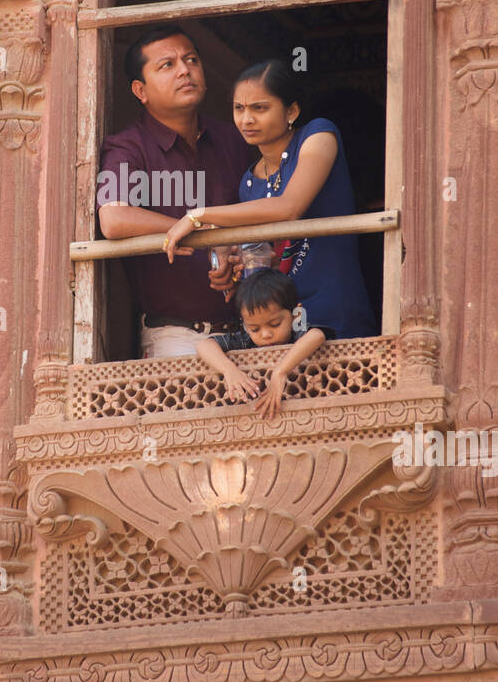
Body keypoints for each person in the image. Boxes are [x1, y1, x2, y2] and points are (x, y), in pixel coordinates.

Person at [163, 58, 377, 340]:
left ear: (292, 110)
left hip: (333, 308)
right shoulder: (249, 181)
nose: (246, 119)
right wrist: (236, 263)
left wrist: (198, 216)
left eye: (260, 108)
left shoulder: (318, 135)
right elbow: (273, 259)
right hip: (280, 326)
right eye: (239, 108)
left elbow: (289, 207)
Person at [97, 24, 254, 357]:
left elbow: (264, 213)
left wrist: (240, 254)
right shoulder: (127, 147)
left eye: (192, 59)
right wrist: (197, 226)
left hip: (254, 329)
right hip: (176, 337)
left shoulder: (234, 139)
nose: (185, 70)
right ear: (141, 91)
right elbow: (113, 218)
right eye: (167, 65)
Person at [195, 268, 333, 420]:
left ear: (297, 315)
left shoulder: (297, 334)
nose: (265, 334)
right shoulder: (245, 339)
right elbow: (204, 346)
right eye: (254, 328)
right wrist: (229, 371)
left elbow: (317, 335)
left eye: (275, 324)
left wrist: (280, 371)